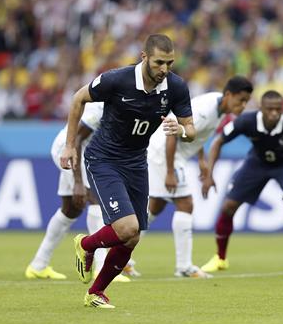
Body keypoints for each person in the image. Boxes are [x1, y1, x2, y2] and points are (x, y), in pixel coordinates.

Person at [60, 34, 195, 309]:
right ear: (144, 57)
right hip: (104, 158)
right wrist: (69, 146)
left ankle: (95, 293)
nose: (164, 69)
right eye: (159, 62)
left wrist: (180, 130)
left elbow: (190, 129)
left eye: (169, 63)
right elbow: (78, 99)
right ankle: (86, 245)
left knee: (133, 237)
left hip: (136, 162)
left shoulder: (176, 87)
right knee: (127, 227)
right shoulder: (117, 80)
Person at [200, 90, 283, 275]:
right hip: (257, 163)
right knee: (228, 206)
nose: (274, 113)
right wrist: (209, 173)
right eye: (270, 109)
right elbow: (218, 141)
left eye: (278, 109)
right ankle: (220, 258)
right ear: (260, 108)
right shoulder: (247, 121)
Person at [147, 76, 253, 278]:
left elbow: (195, 135)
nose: (243, 105)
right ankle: (184, 267)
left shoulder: (220, 107)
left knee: (155, 207)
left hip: (170, 154)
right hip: (165, 153)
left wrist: (202, 159)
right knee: (186, 204)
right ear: (229, 95)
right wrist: (169, 171)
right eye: (241, 100)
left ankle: (122, 257)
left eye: (247, 101)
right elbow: (172, 132)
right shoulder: (205, 110)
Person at [25, 102, 132, 282]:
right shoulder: (102, 110)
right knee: (96, 199)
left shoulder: (128, 105)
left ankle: (38, 265)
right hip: (68, 147)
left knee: (70, 210)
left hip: (87, 149)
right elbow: (76, 139)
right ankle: (101, 268)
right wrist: (78, 182)